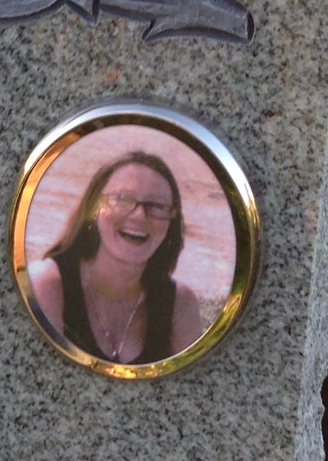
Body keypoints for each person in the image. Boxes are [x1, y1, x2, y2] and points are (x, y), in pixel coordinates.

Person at [27, 151, 205, 364]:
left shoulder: (180, 305)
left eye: (157, 206)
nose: (139, 215)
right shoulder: (46, 285)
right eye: (122, 199)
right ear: (94, 207)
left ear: (171, 224)